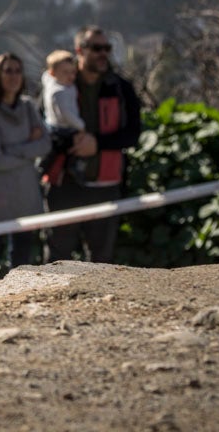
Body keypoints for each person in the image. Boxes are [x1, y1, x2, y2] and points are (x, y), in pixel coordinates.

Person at [44, 26, 140, 264]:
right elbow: (43, 128)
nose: (103, 54)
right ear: (80, 50)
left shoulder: (120, 88)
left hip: (105, 185)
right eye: (96, 48)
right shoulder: (59, 84)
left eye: (107, 48)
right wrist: (71, 142)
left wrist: (97, 144)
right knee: (57, 260)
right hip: (64, 184)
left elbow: (133, 134)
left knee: (102, 262)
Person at [0, 53, 51, 282]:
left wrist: (13, 150)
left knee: (22, 260)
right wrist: (29, 149)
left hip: (25, 194)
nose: (13, 76)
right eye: (8, 70)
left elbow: (45, 144)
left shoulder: (28, 107)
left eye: (17, 70)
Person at [41, 49, 90, 185]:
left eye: (72, 72)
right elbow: (67, 114)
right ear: (53, 73)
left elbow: (45, 76)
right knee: (68, 152)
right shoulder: (59, 93)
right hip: (62, 128)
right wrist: (82, 126)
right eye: (65, 72)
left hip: (57, 125)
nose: (70, 76)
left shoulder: (54, 82)